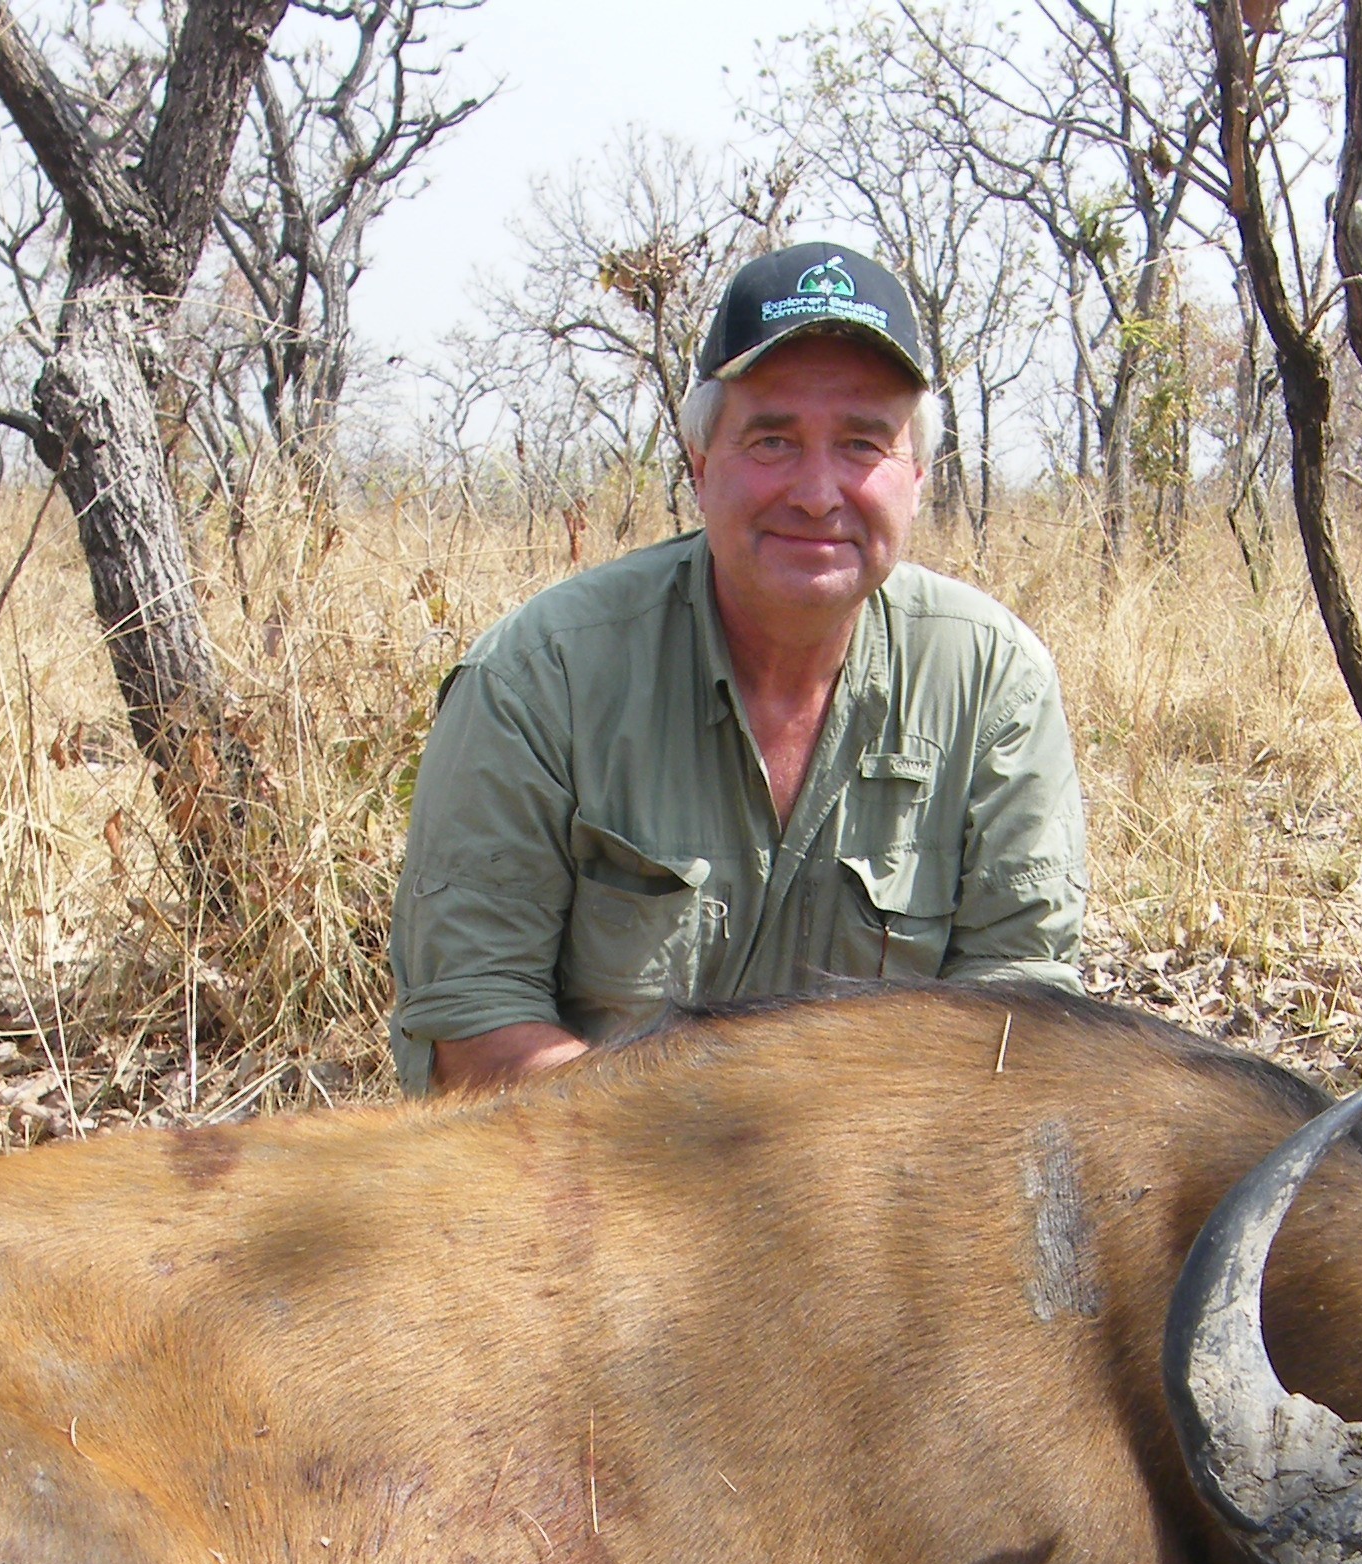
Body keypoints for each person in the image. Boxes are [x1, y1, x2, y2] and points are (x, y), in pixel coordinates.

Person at [387, 242, 1086, 1095]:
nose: (819, 492)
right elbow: (473, 1026)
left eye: (863, 444)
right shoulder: (538, 678)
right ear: (698, 460)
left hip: (890, 1199)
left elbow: (1020, 1023)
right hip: (599, 1193)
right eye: (772, 440)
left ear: (919, 476)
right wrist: (731, 1166)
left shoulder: (993, 678)